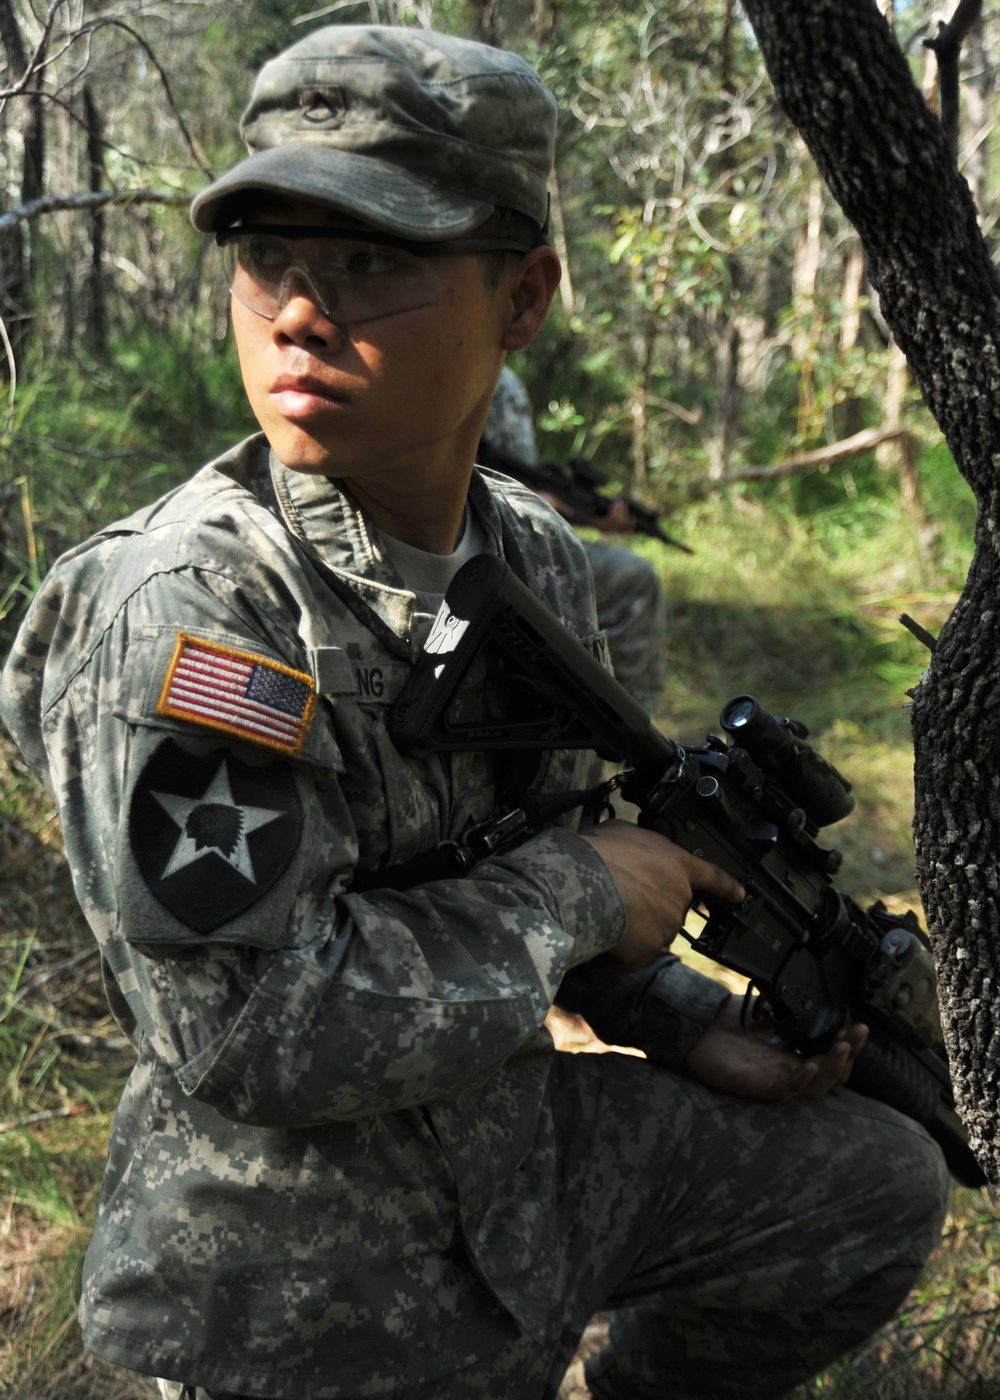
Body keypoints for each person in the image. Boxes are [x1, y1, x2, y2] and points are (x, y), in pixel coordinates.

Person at [0, 24, 948, 1400]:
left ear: (523, 300)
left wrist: (683, 1025)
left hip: (515, 1152)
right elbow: (247, 1028)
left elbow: (540, 839)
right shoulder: (190, 608)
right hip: (292, 1278)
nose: (301, 312)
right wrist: (575, 894)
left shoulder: (534, 561)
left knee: (874, 1180)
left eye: (376, 260)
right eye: (268, 255)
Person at [481, 364, 667, 711]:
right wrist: (533, 503)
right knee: (636, 580)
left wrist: (587, 514)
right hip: (480, 537)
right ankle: (631, 725)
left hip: (507, 525)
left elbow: (518, 477)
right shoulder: (473, 368)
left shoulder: (500, 374)